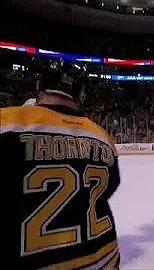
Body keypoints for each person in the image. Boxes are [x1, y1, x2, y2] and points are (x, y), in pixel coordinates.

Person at [0, 60, 121, 269]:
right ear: (81, 94)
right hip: (102, 258)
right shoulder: (101, 136)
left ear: (40, 87)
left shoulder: (7, 122)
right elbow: (108, 188)